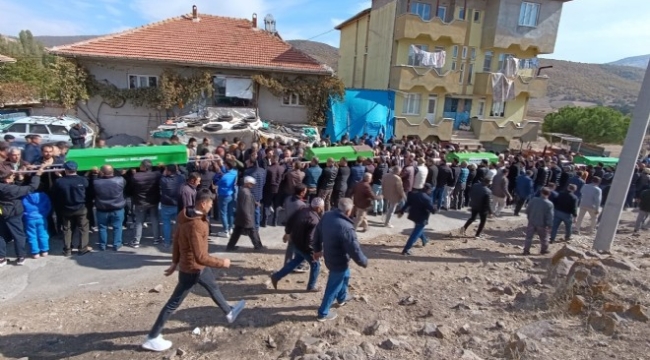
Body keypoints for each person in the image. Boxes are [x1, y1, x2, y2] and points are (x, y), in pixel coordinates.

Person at [141, 191, 246, 352]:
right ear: (203, 204)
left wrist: (174, 262)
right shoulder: (196, 225)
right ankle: (153, 337)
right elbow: (201, 256)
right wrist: (222, 263)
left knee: (213, 287)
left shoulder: (185, 215)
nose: (211, 207)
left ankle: (229, 312)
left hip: (194, 267)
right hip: (193, 269)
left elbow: (176, 240)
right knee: (173, 303)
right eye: (210, 204)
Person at [313, 198, 368, 321]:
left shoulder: (327, 216)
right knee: (333, 286)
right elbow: (355, 250)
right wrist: (363, 261)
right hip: (339, 261)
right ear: (349, 210)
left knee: (346, 275)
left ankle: (342, 298)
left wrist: (317, 249)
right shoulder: (347, 227)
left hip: (330, 256)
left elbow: (317, 233)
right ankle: (323, 313)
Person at [270, 197, 324, 292]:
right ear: (318, 208)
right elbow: (311, 239)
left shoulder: (302, 210)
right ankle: (311, 286)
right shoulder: (315, 220)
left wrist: (288, 232)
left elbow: (290, 221)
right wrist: (314, 252)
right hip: (305, 247)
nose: (322, 209)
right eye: (322, 207)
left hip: (296, 242)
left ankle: (277, 276)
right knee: (316, 265)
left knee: (296, 261)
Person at [0, 164, 45, 266]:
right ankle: (21, 256)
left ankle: (1, 258)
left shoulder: (4, 187)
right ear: (6, 180)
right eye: (11, 176)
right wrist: (37, 175)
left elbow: (14, 189)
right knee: (18, 235)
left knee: (1, 235)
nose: (13, 176)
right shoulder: (8, 189)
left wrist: (20, 179)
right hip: (12, 213)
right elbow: (31, 188)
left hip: (1, 211)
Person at [52, 161, 92, 257]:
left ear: (65, 170)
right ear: (76, 169)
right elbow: (89, 193)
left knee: (67, 229)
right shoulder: (83, 180)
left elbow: (54, 194)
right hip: (81, 208)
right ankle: (82, 248)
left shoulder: (59, 182)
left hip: (66, 209)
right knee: (83, 228)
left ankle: (67, 250)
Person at [226, 176, 265, 251]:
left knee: (236, 233)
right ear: (247, 183)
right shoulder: (245, 193)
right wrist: (248, 218)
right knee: (253, 232)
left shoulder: (244, 190)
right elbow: (245, 207)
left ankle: (230, 246)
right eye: (252, 184)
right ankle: (258, 246)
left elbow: (247, 202)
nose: (253, 185)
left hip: (241, 217)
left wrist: (255, 203)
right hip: (246, 217)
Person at [397, 183, 437, 255]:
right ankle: (406, 249)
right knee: (415, 234)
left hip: (413, 216)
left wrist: (401, 211)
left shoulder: (414, 195)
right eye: (430, 190)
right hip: (421, 219)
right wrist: (435, 206)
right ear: (428, 190)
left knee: (419, 230)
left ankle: (424, 240)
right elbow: (433, 211)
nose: (431, 192)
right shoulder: (427, 199)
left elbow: (407, 203)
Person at [94, 165, 127, 251]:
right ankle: (117, 244)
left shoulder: (96, 182)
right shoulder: (120, 180)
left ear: (102, 172)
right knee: (117, 227)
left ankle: (102, 245)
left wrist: (94, 174)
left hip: (102, 209)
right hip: (117, 208)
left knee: (102, 227)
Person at [130, 160, 161, 248]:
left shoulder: (136, 176)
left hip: (140, 202)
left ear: (144, 167)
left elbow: (131, 188)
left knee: (139, 221)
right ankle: (156, 239)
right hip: (153, 201)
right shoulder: (156, 175)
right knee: (155, 219)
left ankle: (136, 241)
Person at [159, 165, 185, 247]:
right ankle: (178, 241)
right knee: (178, 224)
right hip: (178, 204)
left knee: (166, 224)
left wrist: (164, 172)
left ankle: (167, 242)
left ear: (168, 171)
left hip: (166, 204)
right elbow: (184, 173)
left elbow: (161, 177)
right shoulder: (181, 178)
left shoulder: (163, 180)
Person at [523, 187, 554, 255]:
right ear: (549, 194)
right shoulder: (549, 204)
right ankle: (543, 250)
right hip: (542, 224)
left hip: (532, 222)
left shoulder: (534, 200)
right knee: (544, 238)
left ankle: (526, 250)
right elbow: (550, 216)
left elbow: (528, 210)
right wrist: (550, 225)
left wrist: (529, 218)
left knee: (528, 237)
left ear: (541, 192)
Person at [22, 191, 52, 259]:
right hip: (41, 217)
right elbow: (49, 206)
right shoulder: (44, 196)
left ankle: (35, 252)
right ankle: (44, 251)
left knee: (32, 236)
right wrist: (45, 214)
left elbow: (22, 208)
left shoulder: (25, 197)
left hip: (29, 219)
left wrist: (25, 216)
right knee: (43, 234)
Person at [216, 159, 238, 237]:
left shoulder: (224, 177)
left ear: (227, 166)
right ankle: (230, 228)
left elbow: (217, 182)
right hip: (231, 194)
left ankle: (225, 231)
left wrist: (219, 173)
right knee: (230, 212)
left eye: (225, 164)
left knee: (223, 213)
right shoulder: (235, 173)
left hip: (223, 195)